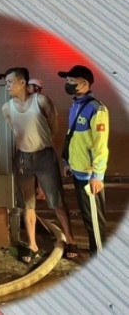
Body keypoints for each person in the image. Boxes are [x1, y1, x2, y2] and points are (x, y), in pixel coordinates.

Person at [1, 67, 77, 263]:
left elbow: (53, 126)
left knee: (56, 200)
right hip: (23, 158)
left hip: (44, 156)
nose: (6, 86)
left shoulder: (41, 101)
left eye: (10, 82)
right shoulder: (7, 108)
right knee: (28, 203)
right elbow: (14, 129)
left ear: (22, 82)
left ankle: (70, 239)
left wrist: (42, 142)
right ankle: (32, 244)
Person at [59, 64, 109, 256]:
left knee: (95, 220)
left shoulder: (97, 109)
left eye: (72, 81)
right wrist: (67, 162)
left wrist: (98, 175)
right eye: (67, 81)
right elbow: (72, 137)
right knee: (88, 218)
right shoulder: (75, 105)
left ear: (85, 84)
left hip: (89, 175)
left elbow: (100, 145)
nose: (68, 84)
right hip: (78, 171)